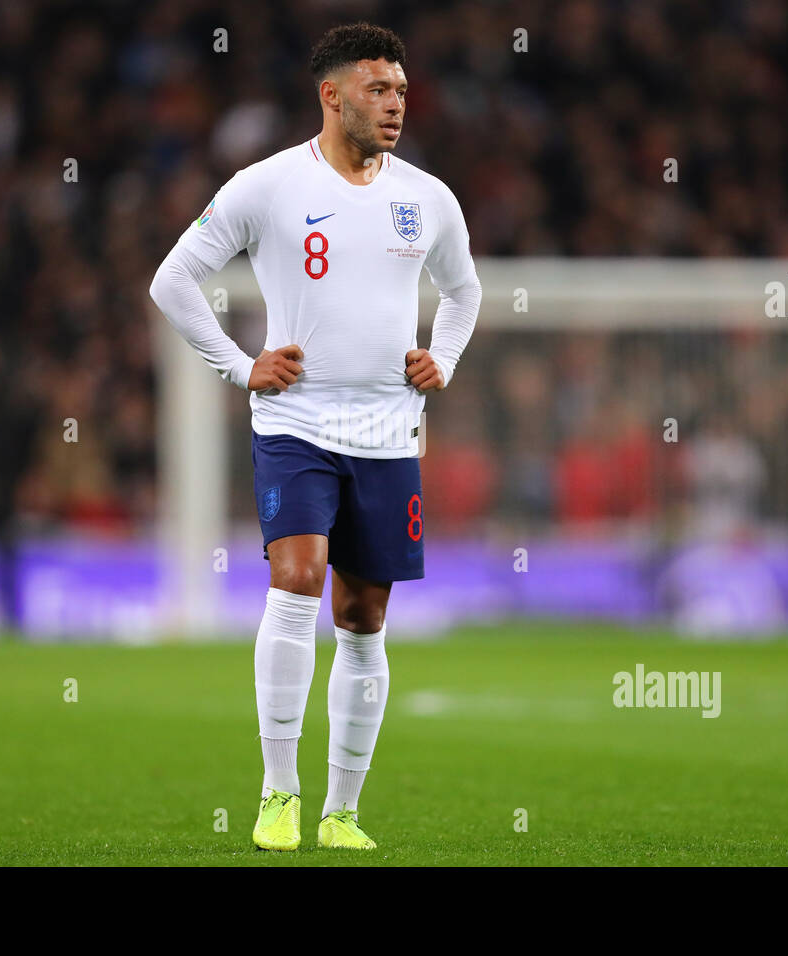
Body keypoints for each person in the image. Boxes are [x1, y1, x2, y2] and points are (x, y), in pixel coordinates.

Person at [151, 22, 481, 851]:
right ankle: (277, 794)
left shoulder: (428, 198)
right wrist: (238, 364)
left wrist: (441, 356)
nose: (396, 103)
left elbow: (466, 290)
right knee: (296, 579)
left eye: (401, 89)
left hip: (388, 429)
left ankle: (342, 812)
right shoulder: (265, 187)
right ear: (331, 95)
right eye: (378, 89)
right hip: (295, 424)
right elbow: (174, 278)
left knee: (363, 614)